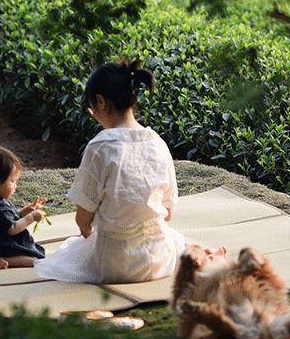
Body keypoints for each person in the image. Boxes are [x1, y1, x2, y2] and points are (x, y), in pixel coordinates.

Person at [37, 59, 226, 284]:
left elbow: (83, 220)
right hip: (158, 260)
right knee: (177, 239)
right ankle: (209, 255)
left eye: (91, 109)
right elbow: (168, 212)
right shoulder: (157, 142)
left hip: (113, 263)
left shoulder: (100, 147)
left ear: (100, 102)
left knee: (67, 254)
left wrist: (90, 235)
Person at [0, 147, 48, 269]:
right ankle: (3, 259)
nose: (15, 186)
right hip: (4, 246)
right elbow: (12, 228)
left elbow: (5, 221)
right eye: (12, 181)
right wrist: (32, 217)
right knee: (35, 260)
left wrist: (25, 211)